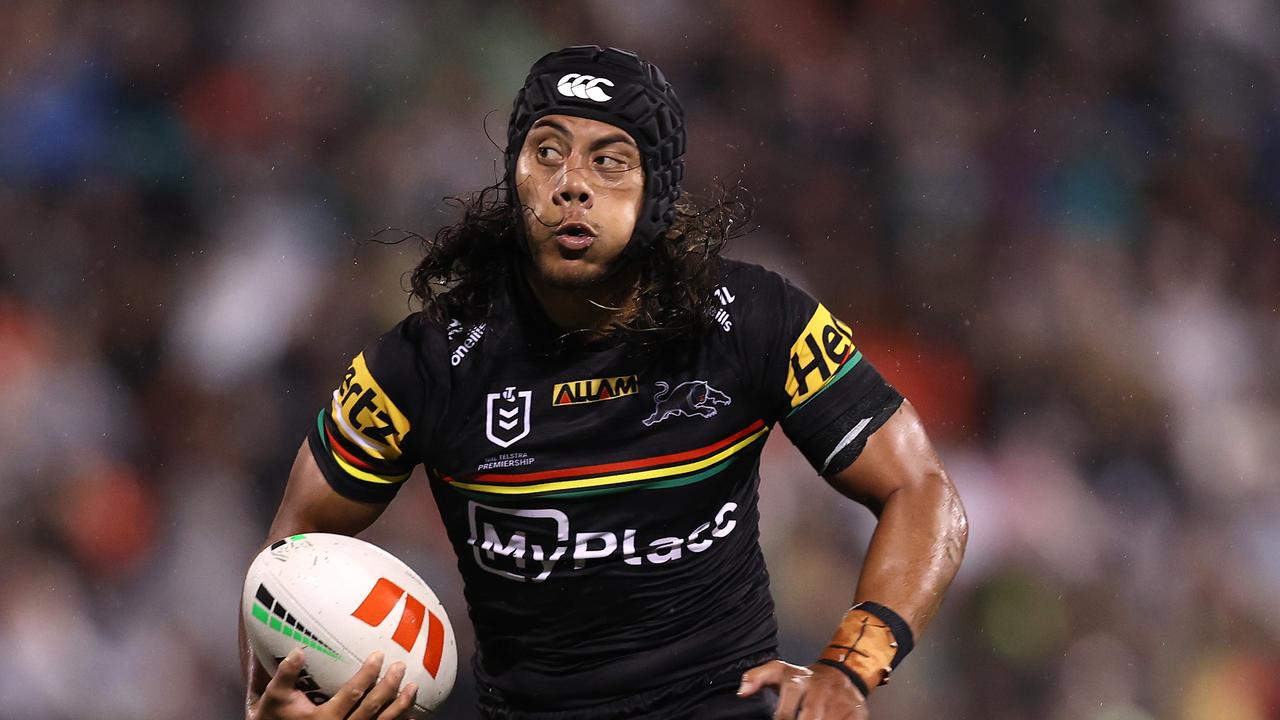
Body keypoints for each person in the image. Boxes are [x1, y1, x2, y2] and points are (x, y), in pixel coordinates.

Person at [241, 45, 968, 720]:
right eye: (546, 152)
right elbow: (295, 547)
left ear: (659, 188)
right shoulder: (424, 364)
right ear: (514, 174)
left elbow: (922, 490)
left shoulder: (753, 320)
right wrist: (268, 700)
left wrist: (849, 666)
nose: (572, 186)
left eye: (610, 161)